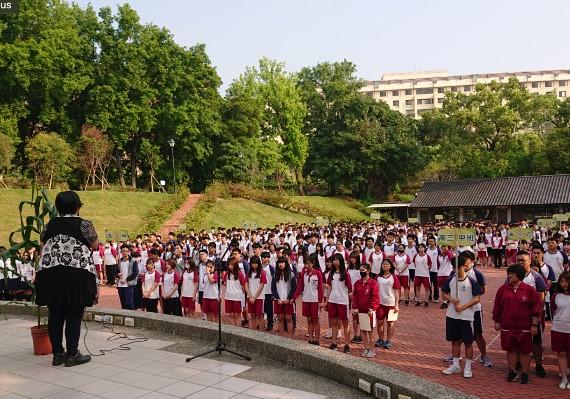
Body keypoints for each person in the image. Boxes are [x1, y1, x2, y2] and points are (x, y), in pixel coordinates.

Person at [35, 191, 98, 367]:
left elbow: (42, 245)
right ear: (77, 207)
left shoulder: (50, 224)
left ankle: (57, 354)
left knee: (55, 314)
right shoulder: (85, 225)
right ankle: (72, 355)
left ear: (58, 207)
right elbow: (94, 245)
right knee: (74, 314)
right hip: (77, 275)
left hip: (51, 275)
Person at [492, 264, 541, 384]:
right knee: (510, 349)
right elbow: (497, 306)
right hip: (507, 326)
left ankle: (525, 373)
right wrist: (497, 321)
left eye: (512, 274)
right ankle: (512, 371)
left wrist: (534, 325)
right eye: (509, 273)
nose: (510, 276)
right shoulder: (502, 289)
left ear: (519, 275)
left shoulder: (529, 290)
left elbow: (536, 308)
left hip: (524, 326)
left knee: (525, 351)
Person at [441, 254, 482, 379]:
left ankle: (468, 367)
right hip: (452, 316)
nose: (456, 270)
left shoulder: (472, 281)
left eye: (458, 267)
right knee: (455, 341)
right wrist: (452, 299)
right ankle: (455, 365)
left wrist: (464, 306)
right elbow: (444, 293)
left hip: (467, 317)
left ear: (464, 266)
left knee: (468, 342)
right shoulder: (451, 279)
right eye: (454, 267)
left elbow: (477, 298)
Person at [292, 254, 324, 345]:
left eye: (308, 264)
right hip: (306, 300)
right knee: (309, 320)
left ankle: (317, 340)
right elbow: (300, 287)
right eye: (305, 264)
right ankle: (310, 339)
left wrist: (320, 301)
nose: (306, 266)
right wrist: (294, 297)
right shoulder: (304, 274)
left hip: (315, 300)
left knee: (315, 320)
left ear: (313, 264)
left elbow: (320, 288)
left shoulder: (318, 273)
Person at [326, 253, 353, 353]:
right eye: (334, 260)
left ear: (341, 261)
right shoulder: (331, 273)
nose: (335, 261)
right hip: (333, 300)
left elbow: (350, 289)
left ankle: (347, 344)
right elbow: (329, 287)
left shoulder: (345, 274)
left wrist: (352, 303)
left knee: (345, 323)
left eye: (337, 260)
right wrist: (327, 301)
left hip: (343, 301)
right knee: (334, 322)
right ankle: (334, 342)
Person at [352, 263, 379, 358]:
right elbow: (354, 296)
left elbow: (375, 297)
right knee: (363, 330)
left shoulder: (373, 283)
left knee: (370, 330)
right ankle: (366, 348)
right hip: (360, 310)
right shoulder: (357, 283)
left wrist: (372, 308)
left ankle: (372, 350)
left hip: (369, 311)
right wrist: (354, 307)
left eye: (363, 270)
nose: (361, 272)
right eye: (360, 270)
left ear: (368, 271)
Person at [375, 259, 400, 349]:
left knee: (390, 323)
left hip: (391, 303)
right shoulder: (378, 277)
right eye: (383, 264)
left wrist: (397, 305)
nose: (385, 265)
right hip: (380, 304)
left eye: (387, 264)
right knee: (379, 322)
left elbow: (396, 292)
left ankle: (388, 340)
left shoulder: (394, 277)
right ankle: (380, 339)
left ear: (390, 266)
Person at [551, 271, 570, 389]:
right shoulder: (556, 295)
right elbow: (554, 309)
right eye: (561, 281)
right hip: (558, 329)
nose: (564, 284)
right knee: (561, 353)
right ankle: (564, 378)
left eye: (567, 281)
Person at [271, 256, 297, 338]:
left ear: (286, 263)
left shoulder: (291, 274)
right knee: (280, 318)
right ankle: (281, 337)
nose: (281, 264)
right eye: (279, 263)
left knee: (289, 319)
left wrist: (289, 298)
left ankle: (290, 337)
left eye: (282, 263)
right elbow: (273, 287)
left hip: (288, 301)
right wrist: (277, 298)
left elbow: (294, 288)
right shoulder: (275, 274)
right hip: (279, 300)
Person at [246, 256, 267, 330]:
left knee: (260, 315)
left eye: (255, 263)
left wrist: (254, 297)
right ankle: (253, 332)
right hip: (250, 297)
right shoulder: (249, 273)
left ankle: (260, 333)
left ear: (259, 264)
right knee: (252, 315)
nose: (254, 265)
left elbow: (261, 286)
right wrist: (250, 296)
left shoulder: (262, 273)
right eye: (252, 263)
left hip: (259, 297)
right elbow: (246, 284)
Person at [223, 257, 247, 326]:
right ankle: (232, 330)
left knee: (237, 315)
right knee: (231, 314)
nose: (230, 266)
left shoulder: (240, 274)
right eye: (229, 265)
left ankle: (238, 330)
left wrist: (242, 297)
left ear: (236, 265)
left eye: (232, 265)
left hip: (237, 297)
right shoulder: (227, 273)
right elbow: (224, 283)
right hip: (228, 296)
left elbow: (243, 286)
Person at [117, 244, 139, 310]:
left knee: (129, 304)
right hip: (120, 285)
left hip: (129, 285)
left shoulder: (133, 261)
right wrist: (117, 274)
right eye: (123, 251)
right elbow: (116, 272)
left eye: (126, 251)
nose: (125, 252)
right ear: (121, 252)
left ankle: (130, 318)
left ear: (129, 252)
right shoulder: (119, 261)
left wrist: (126, 279)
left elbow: (135, 272)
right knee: (123, 304)